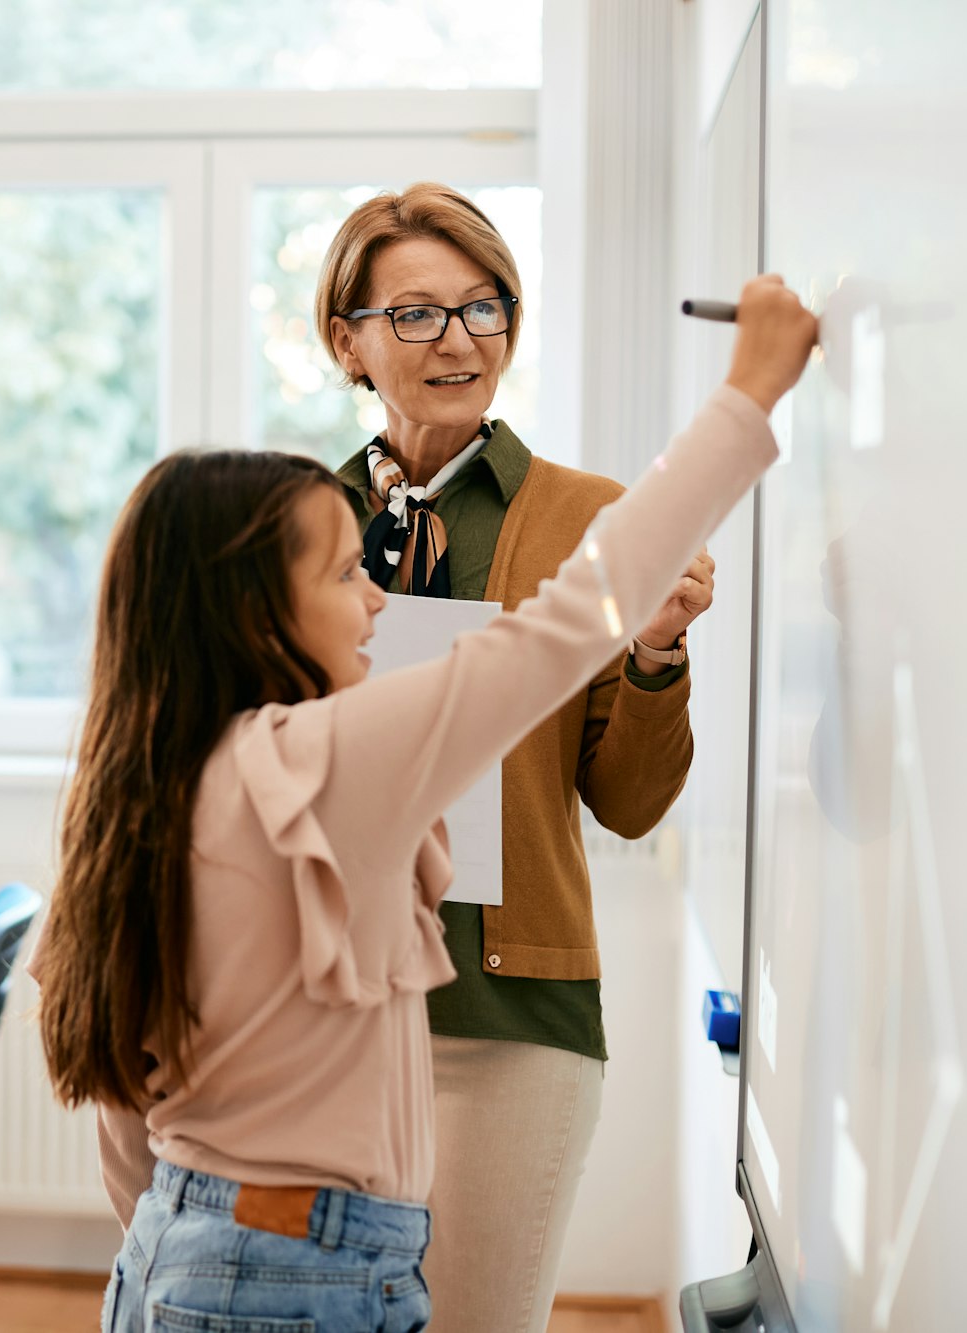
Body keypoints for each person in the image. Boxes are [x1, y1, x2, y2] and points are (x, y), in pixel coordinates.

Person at [31, 276, 815, 1332]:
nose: (375, 602)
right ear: (252, 606)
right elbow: (568, 623)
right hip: (290, 1275)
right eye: (348, 574)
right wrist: (752, 388)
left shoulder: (144, 779)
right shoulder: (319, 758)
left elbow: (128, 1132)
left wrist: (196, 1263)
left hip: (185, 1249)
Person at [317, 182, 714, 1332]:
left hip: (510, 1014)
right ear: (347, 340)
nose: (458, 340)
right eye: (415, 314)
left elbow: (630, 804)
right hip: (323, 1008)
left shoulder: (598, 520)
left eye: (483, 307)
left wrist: (653, 653)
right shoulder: (296, 522)